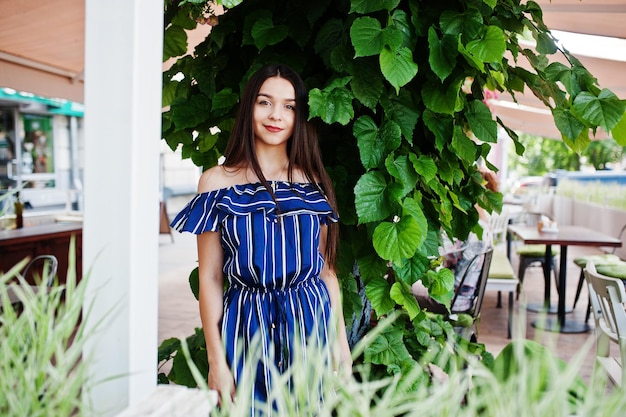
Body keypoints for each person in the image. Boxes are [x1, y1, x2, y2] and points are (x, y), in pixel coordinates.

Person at [170, 64, 352, 413]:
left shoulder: (313, 183)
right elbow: (210, 277)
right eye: (264, 102)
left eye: (289, 106)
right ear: (248, 108)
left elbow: (327, 272)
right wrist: (215, 361)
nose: (276, 115)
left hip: (310, 323)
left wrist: (341, 347)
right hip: (246, 329)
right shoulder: (216, 183)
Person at [412, 168, 498, 314]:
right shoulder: (484, 225)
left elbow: (433, 252)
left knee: (400, 286)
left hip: (452, 300)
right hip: (466, 297)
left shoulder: (466, 228)